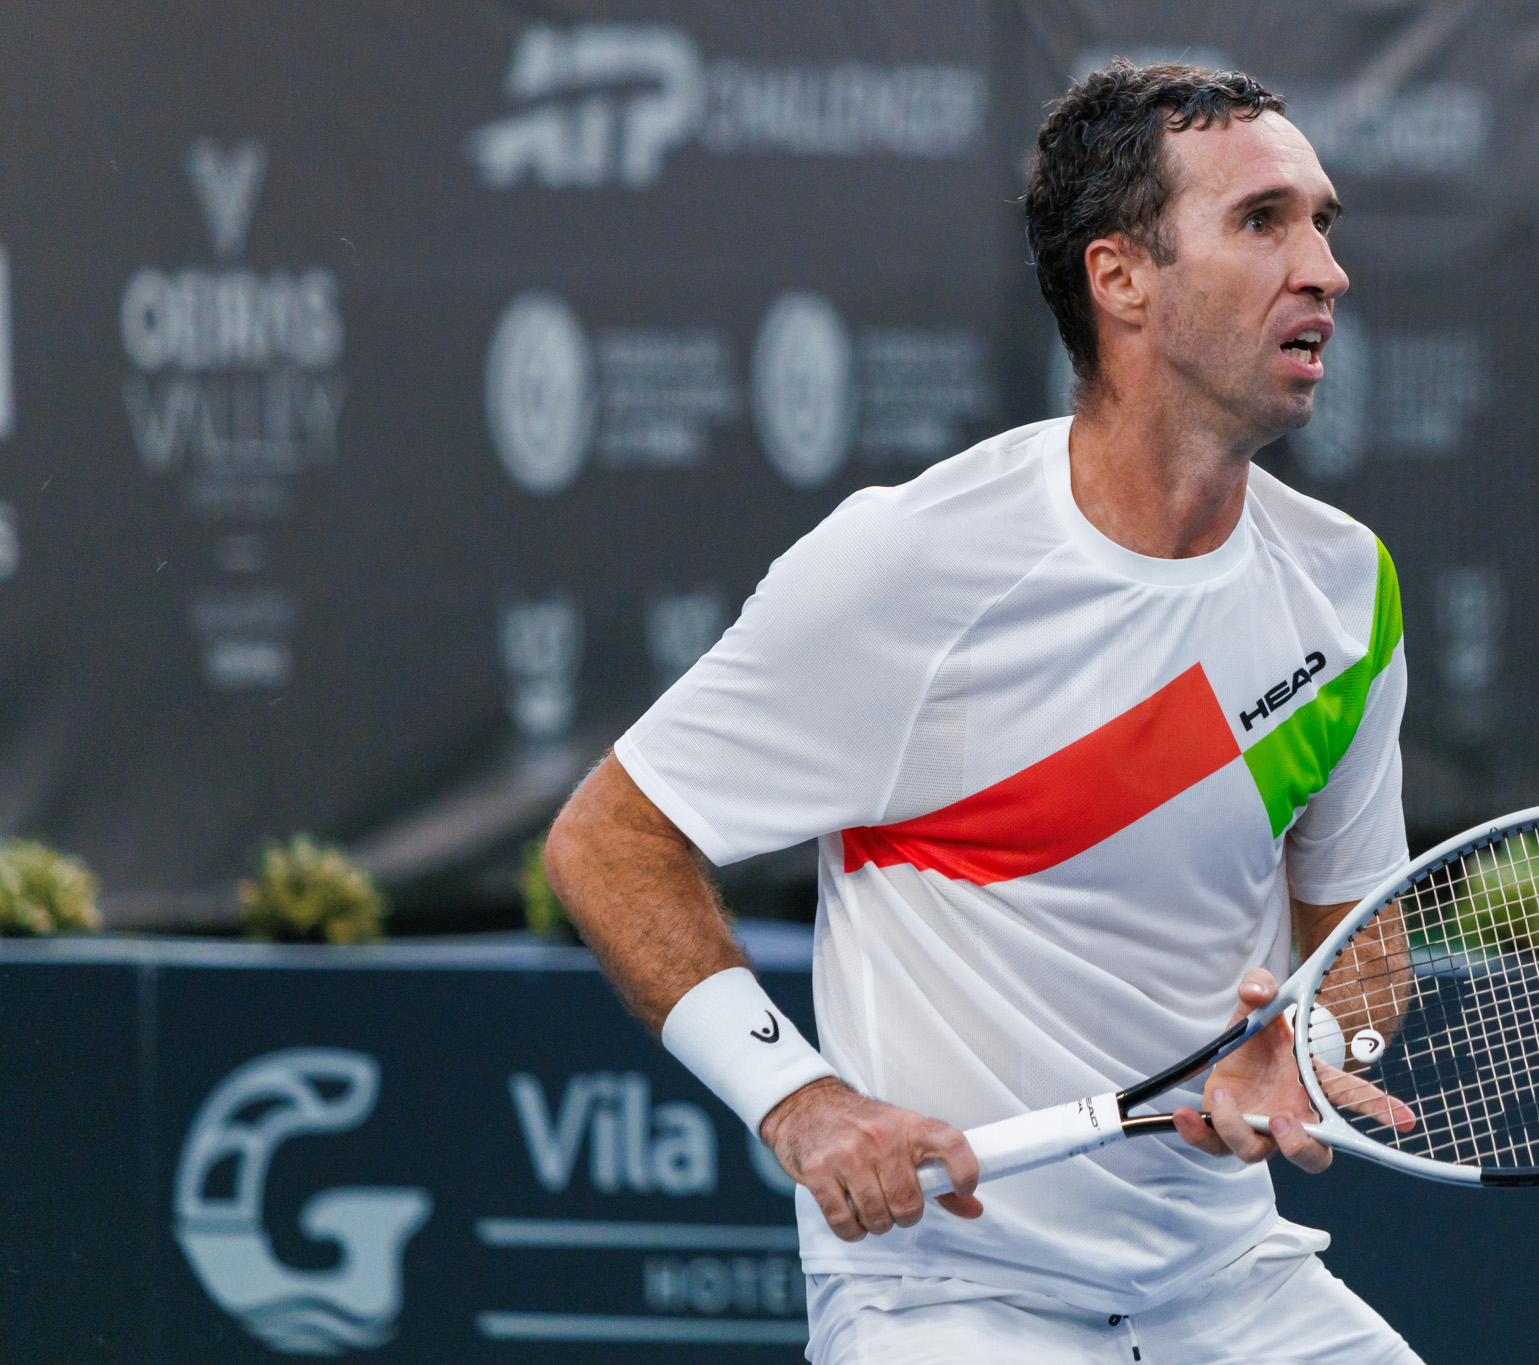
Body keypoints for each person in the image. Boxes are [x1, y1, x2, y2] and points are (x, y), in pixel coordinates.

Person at [545, 61, 1421, 1364]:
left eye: (1323, 222)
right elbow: (609, 836)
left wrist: (1304, 1042)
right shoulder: (911, 567)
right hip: (947, 1303)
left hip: (1234, 1285)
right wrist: (805, 1103)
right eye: (1262, 221)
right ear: (1120, 278)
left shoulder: (1344, 591)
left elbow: (1365, 939)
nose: (1324, 269)